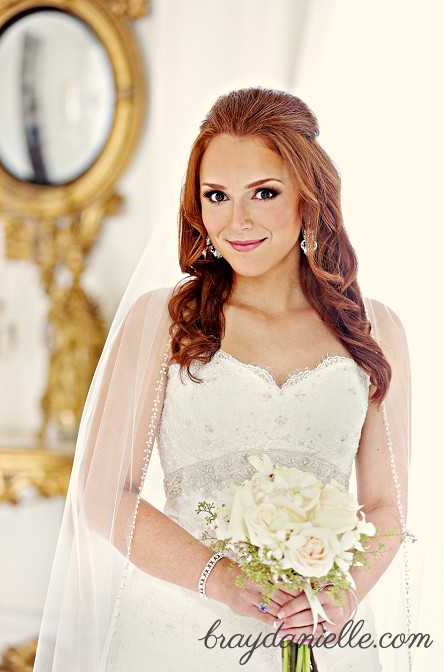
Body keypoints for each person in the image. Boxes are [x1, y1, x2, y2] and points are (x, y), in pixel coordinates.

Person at [33, 88, 412, 671]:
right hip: (181, 631)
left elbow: (386, 507)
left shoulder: (374, 329)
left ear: (309, 198)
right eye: (217, 195)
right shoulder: (164, 322)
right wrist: (224, 581)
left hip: (319, 635)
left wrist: (339, 597)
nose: (238, 220)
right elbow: (104, 494)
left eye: (264, 193)